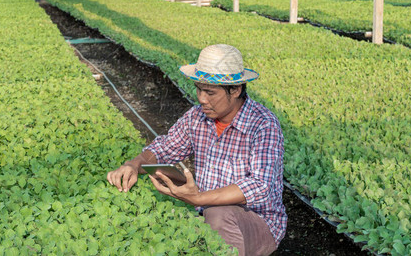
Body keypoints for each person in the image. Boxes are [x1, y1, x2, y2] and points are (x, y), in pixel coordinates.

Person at [107, 44, 287, 256]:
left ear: (236, 90)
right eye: (199, 89)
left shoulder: (263, 124)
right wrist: (133, 165)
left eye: (210, 92)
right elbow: (166, 147)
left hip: (257, 223)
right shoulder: (197, 116)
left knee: (219, 214)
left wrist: (199, 199)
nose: (202, 99)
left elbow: (260, 186)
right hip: (205, 212)